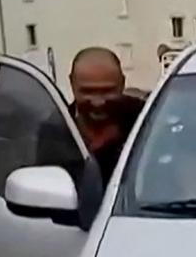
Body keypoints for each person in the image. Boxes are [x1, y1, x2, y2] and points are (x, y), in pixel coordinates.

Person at [37, 46, 145, 186]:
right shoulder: (55, 132)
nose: (98, 102)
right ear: (72, 83)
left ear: (122, 84)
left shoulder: (146, 120)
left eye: (107, 91)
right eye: (88, 92)